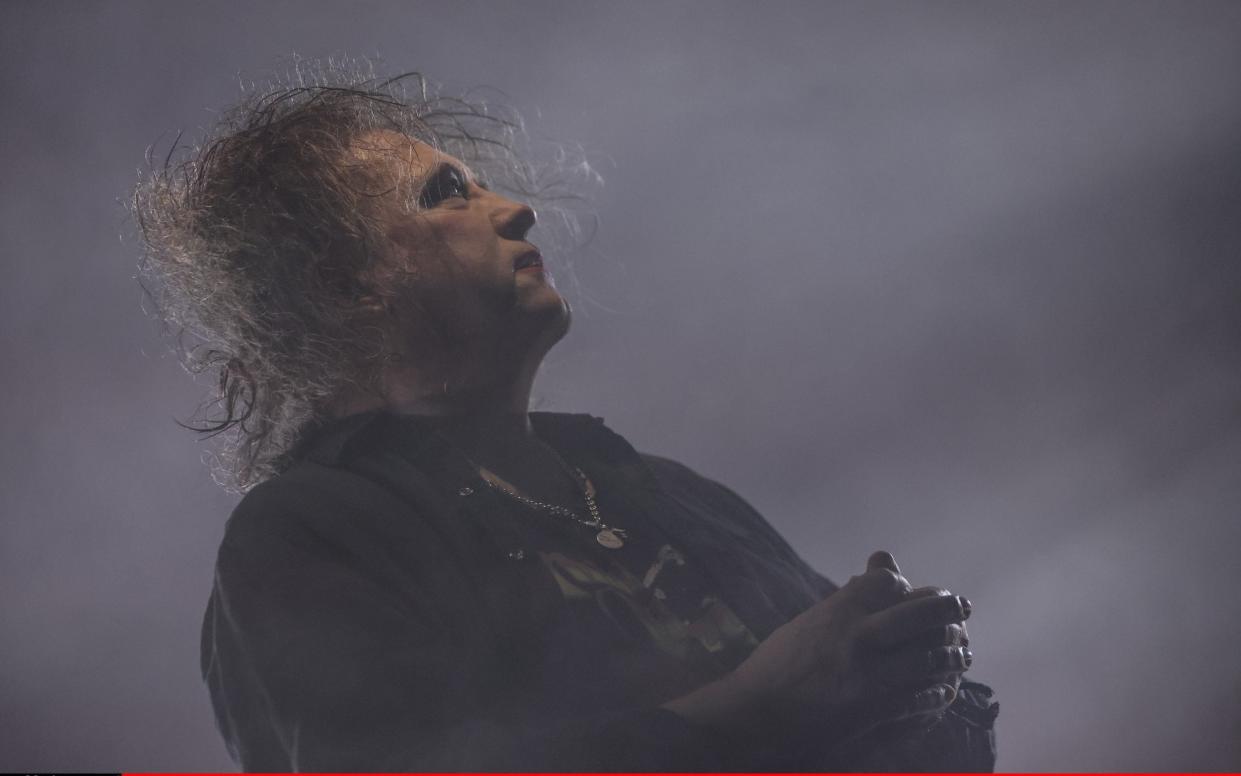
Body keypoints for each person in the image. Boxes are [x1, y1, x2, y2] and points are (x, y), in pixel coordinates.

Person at [135, 64, 998, 772]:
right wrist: (765, 706)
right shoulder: (313, 530)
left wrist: (919, 678)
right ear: (345, 284)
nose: (516, 208)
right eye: (444, 194)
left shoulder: (661, 491)